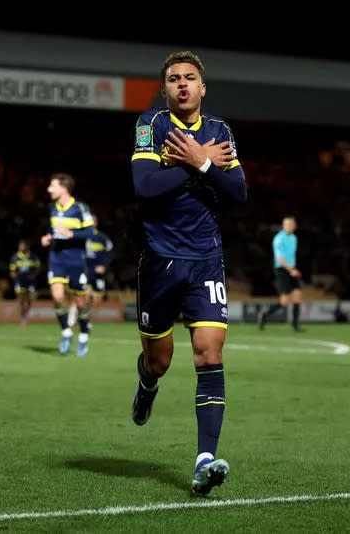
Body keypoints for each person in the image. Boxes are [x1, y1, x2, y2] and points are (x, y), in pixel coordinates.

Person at [129, 50, 247, 495]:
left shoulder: (219, 132)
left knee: (209, 354)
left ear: (202, 87)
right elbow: (144, 187)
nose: (182, 84)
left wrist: (195, 161)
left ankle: (204, 460)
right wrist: (200, 163)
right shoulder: (150, 125)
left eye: (190, 77)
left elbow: (238, 191)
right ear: (165, 89)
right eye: (174, 78)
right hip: (158, 261)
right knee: (160, 361)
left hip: (205, 260)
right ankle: (146, 382)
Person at [40, 173, 94, 356]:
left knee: (80, 301)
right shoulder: (52, 208)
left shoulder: (80, 207)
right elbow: (53, 229)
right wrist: (48, 237)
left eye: (52, 186)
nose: (49, 189)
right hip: (57, 257)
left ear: (63, 188)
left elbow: (89, 232)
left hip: (75, 259)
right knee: (56, 296)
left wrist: (72, 234)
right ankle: (66, 332)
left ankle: (84, 335)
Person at [68, 214, 114, 329]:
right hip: (84, 271)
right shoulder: (81, 237)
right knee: (83, 294)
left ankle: (84, 319)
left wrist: (104, 265)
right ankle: (71, 320)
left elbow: (111, 252)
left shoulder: (102, 238)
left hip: (98, 273)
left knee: (97, 298)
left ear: (96, 223)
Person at [258, 216, 303, 331]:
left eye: (291, 225)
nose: (289, 227)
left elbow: (291, 256)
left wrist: (293, 269)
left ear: (295, 226)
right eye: (287, 225)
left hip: (291, 269)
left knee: (297, 296)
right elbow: (280, 259)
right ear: (283, 226)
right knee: (285, 301)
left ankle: (295, 325)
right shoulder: (278, 239)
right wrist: (291, 270)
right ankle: (265, 314)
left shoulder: (294, 238)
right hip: (282, 270)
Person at [9, 239, 41, 328]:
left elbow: (38, 267)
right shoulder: (15, 257)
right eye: (20, 245)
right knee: (21, 298)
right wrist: (14, 276)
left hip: (31, 282)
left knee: (30, 300)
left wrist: (34, 275)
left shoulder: (33, 256)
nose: (21, 247)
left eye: (23, 245)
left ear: (27, 246)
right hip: (20, 281)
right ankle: (22, 316)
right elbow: (12, 271)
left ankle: (25, 314)